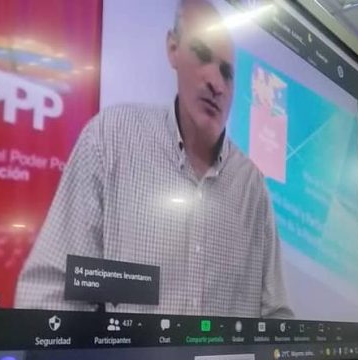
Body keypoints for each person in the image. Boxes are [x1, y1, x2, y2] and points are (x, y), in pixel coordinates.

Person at [15, 0, 293, 319]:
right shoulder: (111, 138)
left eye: (226, 73)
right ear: (173, 48)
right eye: (202, 54)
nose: (216, 84)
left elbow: (276, 316)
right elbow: (49, 292)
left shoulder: (251, 186)